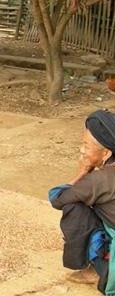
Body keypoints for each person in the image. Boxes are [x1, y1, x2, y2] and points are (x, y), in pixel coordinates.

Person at [49, 109, 115, 295]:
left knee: (74, 208)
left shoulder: (97, 181)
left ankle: (96, 267)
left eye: (86, 145)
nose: (82, 150)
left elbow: (57, 198)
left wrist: (82, 172)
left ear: (106, 153)